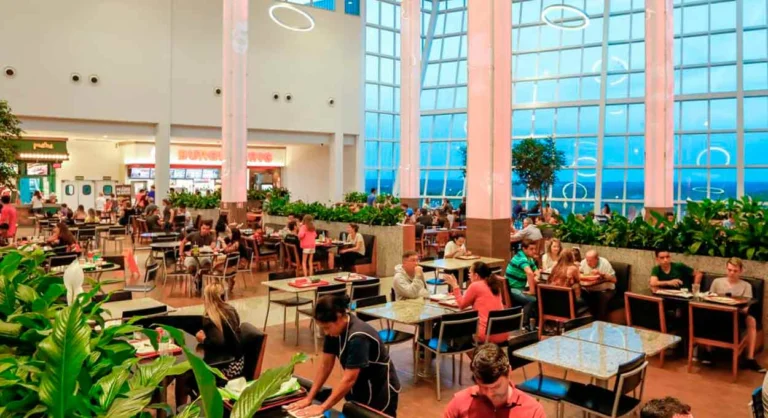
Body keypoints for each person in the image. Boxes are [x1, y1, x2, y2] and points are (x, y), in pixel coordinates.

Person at [287, 294, 400, 417]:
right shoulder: (334, 331)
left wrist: (322, 407)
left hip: (379, 390)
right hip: (360, 387)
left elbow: (349, 379)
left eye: (327, 327)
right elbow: (325, 366)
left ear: (339, 317)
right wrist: (309, 398)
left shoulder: (358, 337)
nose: (326, 332)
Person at [443, 344, 545, 418]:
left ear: (509, 372)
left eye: (496, 386)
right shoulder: (459, 403)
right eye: (483, 387)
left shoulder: (533, 411)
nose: (489, 394)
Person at [708, 257, 763, 372]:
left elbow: (748, 305)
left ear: (740, 271)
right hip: (718, 313)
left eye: (735, 271)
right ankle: (709, 353)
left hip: (738, 315)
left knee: (751, 320)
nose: (732, 273)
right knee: (705, 316)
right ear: (726, 269)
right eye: (729, 270)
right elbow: (709, 298)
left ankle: (750, 358)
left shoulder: (746, 286)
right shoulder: (717, 282)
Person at [442, 262, 506, 344]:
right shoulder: (495, 285)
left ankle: (443, 346)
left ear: (476, 275)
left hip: (486, 334)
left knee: (451, 326)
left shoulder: (475, 285)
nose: (469, 275)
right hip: (503, 332)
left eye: (470, 273)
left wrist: (455, 285)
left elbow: (461, 305)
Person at [505, 239, 540, 327]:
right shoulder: (521, 258)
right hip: (511, 289)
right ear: (524, 249)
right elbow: (530, 273)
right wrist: (532, 291)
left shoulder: (529, 258)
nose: (534, 251)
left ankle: (536, 323)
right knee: (532, 299)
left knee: (540, 296)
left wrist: (536, 277)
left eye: (534, 249)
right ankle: (524, 325)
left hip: (520, 287)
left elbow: (536, 270)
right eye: (531, 249)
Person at [579, 249, 617, 321]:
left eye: (590, 260)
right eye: (587, 260)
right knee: (579, 295)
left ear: (597, 259)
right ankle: (586, 321)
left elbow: (614, 280)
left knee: (601, 298)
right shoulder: (583, 262)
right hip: (589, 289)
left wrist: (601, 274)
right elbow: (579, 274)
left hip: (606, 290)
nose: (588, 263)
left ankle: (600, 322)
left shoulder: (605, 263)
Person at [180, 221, 216, 286]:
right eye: (203, 228)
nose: (205, 230)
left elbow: (213, 246)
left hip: (205, 257)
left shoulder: (210, 236)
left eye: (207, 229)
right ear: (200, 228)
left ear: (209, 230)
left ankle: (199, 280)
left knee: (207, 266)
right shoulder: (193, 234)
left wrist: (213, 245)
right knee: (192, 268)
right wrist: (181, 254)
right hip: (192, 257)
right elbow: (183, 242)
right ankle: (197, 279)